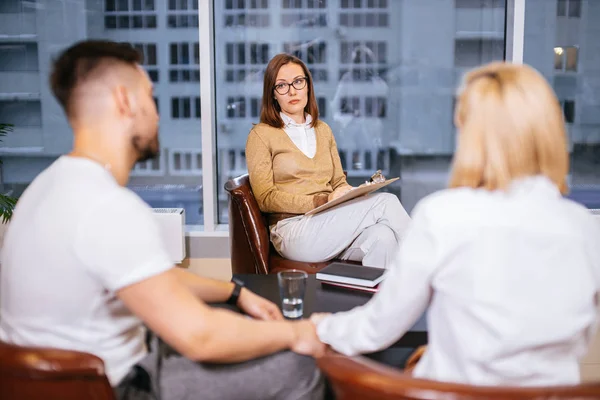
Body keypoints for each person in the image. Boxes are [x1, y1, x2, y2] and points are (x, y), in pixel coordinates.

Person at [0, 40, 325, 400]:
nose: (157, 114)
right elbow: (202, 338)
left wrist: (236, 293)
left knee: (239, 325)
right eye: (150, 97)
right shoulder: (107, 206)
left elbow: (151, 278)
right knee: (298, 366)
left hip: (51, 383)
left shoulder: (47, 187)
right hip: (117, 388)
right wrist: (301, 332)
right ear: (125, 101)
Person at [311, 62, 600, 386]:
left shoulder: (443, 215)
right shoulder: (582, 229)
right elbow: (580, 335)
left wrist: (317, 327)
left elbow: (374, 330)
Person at [245, 54, 411, 268]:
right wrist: (319, 201)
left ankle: (383, 301)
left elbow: (338, 182)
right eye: (282, 86)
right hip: (292, 230)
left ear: (308, 86)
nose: (292, 91)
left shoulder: (323, 131)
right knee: (385, 202)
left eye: (298, 81)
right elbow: (265, 198)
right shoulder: (261, 135)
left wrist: (350, 193)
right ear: (273, 94)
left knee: (383, 237)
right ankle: (429, 269)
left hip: (328, 221)